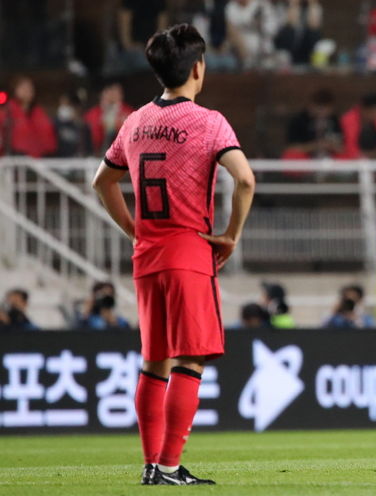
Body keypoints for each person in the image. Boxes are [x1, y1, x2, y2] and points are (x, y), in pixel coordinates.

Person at [91, 23, 255, 485]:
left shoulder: (135, 121)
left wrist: (134, 229)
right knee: (188, 361)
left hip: (147, 256)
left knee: (153, 361)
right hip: (189, 250)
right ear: (198, 68)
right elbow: (244, 180)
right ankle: (168, 465)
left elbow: (101, 181)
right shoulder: (209, 122)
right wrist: (231, 235)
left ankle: (150, 465)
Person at [0, 76, 56, 157]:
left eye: (30, 88)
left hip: (40, 160)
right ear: (15, 90)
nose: (27, 91)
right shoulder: (6, 113)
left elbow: (49, 137)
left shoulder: (40, 113)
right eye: (23, 87)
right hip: (13, 160)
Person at [281, 88, 342, 159]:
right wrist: (316, 145)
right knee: (292, 156)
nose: (323, 113)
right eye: (320, 109)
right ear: (311, 106)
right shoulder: (299, 121)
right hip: (306, 160)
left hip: (330, 159)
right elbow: (291, 148)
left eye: (327, 109)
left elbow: (341, 147)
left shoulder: (334, 120)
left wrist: (330, 145)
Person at [84, 82, 134, 156]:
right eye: (109, 92)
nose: (112, 95)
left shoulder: (129, 112)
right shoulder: (93, 113)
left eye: (116, 92)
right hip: (97, 152)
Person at [225, 0, 278, 69]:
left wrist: (260, 25)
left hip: (264, 52)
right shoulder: (231, 7)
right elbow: (231, 32)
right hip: (241, 54)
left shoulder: (262, 5)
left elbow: (273, 29)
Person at [339, 93, 376, 159]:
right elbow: (351, 152)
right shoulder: (349, 120)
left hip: (367, 159)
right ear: (366, 110)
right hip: (344, 163)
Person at [273, 0, 323, 66]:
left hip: (307, 59)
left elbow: (315, 36)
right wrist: (292, 6)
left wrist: (312, 5)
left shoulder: (312, 8)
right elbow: (280, 41)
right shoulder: (281, 8)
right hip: (285, 57)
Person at [54, 91, 92, 157]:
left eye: (66, 105)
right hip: (59, 162)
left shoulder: (83, 128)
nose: (64, 108)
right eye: (62, 104)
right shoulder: (55, 123)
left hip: (77, 163)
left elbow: (88, 150)